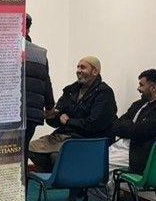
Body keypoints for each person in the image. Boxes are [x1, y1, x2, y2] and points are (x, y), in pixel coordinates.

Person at [89, 69, 156, 201]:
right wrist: (130, 128)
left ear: (153, 87)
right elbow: (116, 125)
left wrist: (129, 128)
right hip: (121, 147)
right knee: (86, 166)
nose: (138, 88)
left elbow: (137, 132)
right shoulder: (139, 104)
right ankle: (110, 200)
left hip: (137, 154)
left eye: (142, 85)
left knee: (94, 170)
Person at [28, 56, 116, 174]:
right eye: (78, 67)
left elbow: (94, 124)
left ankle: (66, 181)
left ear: (95, 71)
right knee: (29, 148)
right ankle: (52, 177)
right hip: (65, 136)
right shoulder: (71, 90)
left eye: (83, 67)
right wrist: (53, 116)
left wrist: (68, 121)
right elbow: (57, 116)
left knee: (57, 156)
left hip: (86, 140)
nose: (78, 70)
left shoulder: (104, 93)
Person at [23, 14, 54, 162]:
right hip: (32, 115)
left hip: (11, 114)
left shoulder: (4, 48)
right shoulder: (40, 53)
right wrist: (50, 107)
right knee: (22, 151)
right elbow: (46, 83)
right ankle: (24, 184)